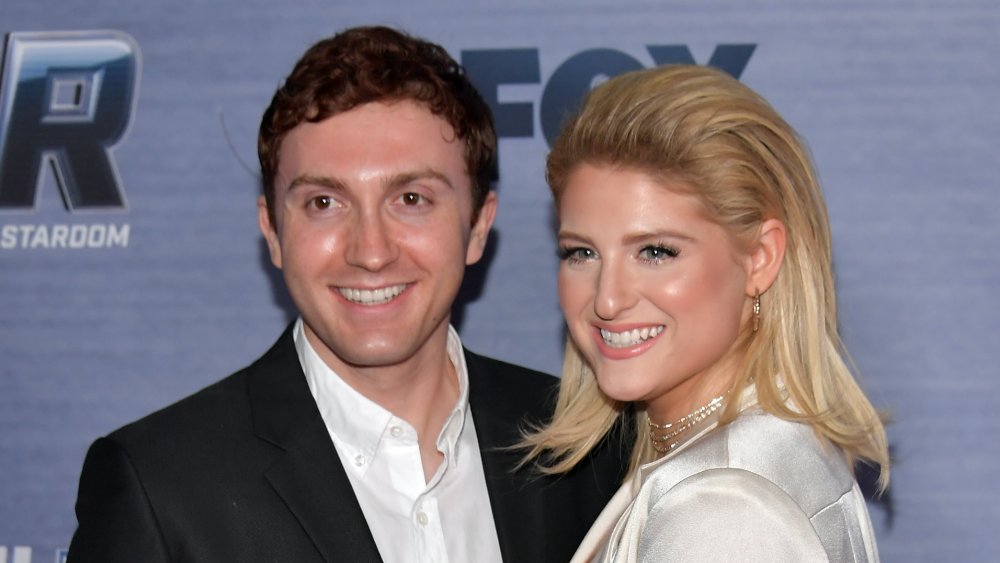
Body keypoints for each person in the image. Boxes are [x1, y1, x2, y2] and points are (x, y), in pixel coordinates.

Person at [67, 26, 627, 563]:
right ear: (273, 232)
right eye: (324, 203)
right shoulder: (159, 487)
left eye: (411, 199)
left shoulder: (587, 447)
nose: (371, 251)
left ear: (478, 226)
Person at [519, 64, 890, 562]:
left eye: (655, 251)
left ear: (760, 257)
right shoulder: (766, 449)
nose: (607, 300)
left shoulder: (722, 513)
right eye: (581, 253)